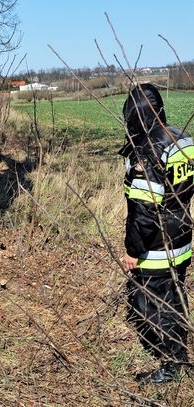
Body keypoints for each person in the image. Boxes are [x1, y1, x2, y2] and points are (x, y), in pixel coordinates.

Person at [120, 83, 193, 384]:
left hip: (157, 245)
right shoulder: (184, 138)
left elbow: (144, 215)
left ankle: (174, 366)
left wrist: (132, 252)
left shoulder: (147, 154)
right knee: (175, 293)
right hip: (184, 237)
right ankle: (182, 335)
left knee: (151, 303)